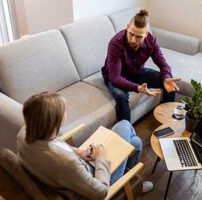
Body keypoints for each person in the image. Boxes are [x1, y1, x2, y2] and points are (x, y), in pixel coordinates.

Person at [17, 92, 153, 200]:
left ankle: (133, 182)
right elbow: (100, 192)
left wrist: (78, 152)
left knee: (135, 142)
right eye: (64, 110)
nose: (66, 112)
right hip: (96, 182)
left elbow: (55, 145)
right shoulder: (66, 162)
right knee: (124, 125)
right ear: (55, 121)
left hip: (75, 174)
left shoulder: (25, 133)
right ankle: (129, 182)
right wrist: (100, 158)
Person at [102, 9, 181, 122]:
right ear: (127, 27)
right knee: (121, 96)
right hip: (116, 75)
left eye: (139, 37)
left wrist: (166, 78)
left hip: (136, 72)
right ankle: (125, 134)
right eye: (131, 34)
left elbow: (164, 65)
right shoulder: (115, 43)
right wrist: (137, 88)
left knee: (170, 85)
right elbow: (115, 78)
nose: (133, 40)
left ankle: (167, 123)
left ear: (146, 34)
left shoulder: (151, 41)